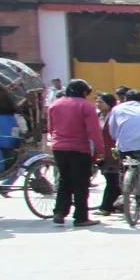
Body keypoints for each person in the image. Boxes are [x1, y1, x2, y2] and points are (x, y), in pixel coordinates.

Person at [45, 77, 104, 226]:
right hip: (79, 149)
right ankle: (81, 217)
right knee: (81, 183)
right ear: (84, 92)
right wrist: (101, 150)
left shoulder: (54, 105)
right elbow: (94, 131)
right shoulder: (86, 106)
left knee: (64, 180)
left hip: (59, 148)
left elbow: (51, 128)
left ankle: (59, 212)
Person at [95, 92, 122, 215]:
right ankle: (116, 203)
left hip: (113, 151)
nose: (98, 104)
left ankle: (106, 206)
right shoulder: (98, 115)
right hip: (101, 152)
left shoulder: (114, 116)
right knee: (111, 179)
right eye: (97, 101)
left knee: (112, 179)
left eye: (101, 102)